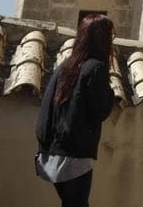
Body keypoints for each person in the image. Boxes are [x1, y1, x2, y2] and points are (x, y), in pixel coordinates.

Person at [35, 14, 116, 207]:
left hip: (50, 153)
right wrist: (110, 93)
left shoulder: (66, 65)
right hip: (75, 156)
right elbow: (100, 110)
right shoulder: (96, 68)